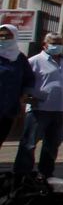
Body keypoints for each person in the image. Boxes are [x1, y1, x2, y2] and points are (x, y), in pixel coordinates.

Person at [14, 31, 63, 177]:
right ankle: (22, 174)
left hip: (60, 109)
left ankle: (46, 174)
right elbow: (23, 83)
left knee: (53, 145)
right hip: (39, 109)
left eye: (59, 43)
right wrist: (28, 98)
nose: (57, 46)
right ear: (45, 45)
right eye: (53, 43)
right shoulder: (35, 61)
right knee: (29, 143)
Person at [0, 23, 34, 156]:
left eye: (7, 36)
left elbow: (28, 78)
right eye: (1, 36)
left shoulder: (20, 58)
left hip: (9, 107)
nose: (3, 39)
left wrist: (24, 95)